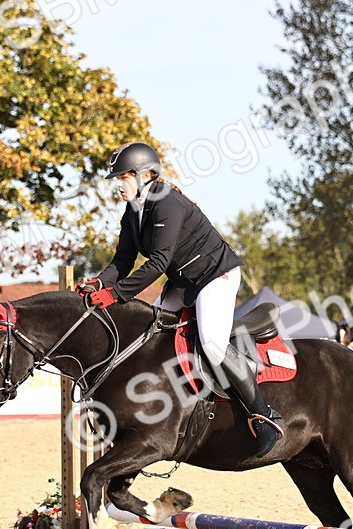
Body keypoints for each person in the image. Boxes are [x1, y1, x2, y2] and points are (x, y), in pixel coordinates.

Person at [75, 142, 284, 457]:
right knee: (150, 334)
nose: (117, 185)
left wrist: (116, 294)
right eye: (116, 179)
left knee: (212, 344)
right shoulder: (133, 211)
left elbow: (158, 262)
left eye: (123, 177)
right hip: (184, 281)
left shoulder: (167, 204)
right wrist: (99, 283)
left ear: (145, 175)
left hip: (215, 276)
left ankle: (264, 415)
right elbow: (122, 260)